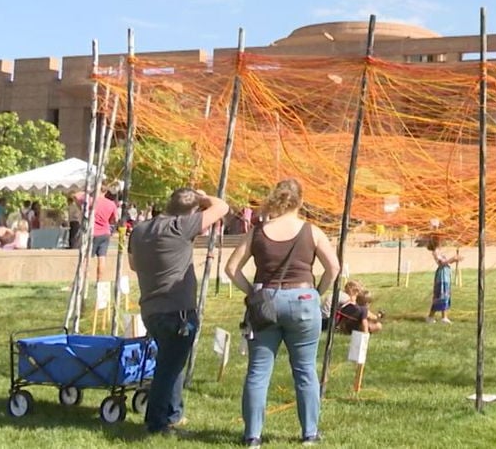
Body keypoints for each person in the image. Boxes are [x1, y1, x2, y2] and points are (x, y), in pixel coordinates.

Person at [225, 178, 340, 447]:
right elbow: (333, 268)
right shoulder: (312, 231)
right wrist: (317, 292)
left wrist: (252, 292)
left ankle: (252, 435)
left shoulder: (258, 232)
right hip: (303, 299)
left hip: (266, 302)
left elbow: (231, 268)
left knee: (258, 371)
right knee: (305, 370)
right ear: (300, 201)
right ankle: (309, 433)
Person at [128, 188, 229, 436]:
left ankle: (174, 413)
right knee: (167, 368)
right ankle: (157, 423)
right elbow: (222, 207)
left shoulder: (140, 229)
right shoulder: (180, 227)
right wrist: (203, 198)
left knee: (171, 362)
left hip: (150, 309)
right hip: (178, 312)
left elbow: (132, 264)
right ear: (191, 213)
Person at [75, 185, 119, 284]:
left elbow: (76, 195)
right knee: (102, 257)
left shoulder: (91, 201)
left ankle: (81, 280)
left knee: (86, 258)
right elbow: (115, 219)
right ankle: (99, 281)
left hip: (93, 233)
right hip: (105, 233)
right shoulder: (111, 204)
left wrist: (87, 191)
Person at [426, 238, 462, 324]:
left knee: (444, 295)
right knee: (441, 295)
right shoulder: (435, 252)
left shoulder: (439, 252)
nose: (442, 242)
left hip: (445, 275)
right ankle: (437, 317)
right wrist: (452, 259)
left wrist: (455, 259)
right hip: (442, 276)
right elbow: (442, 263)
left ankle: (441, 317)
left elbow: (446, 262)